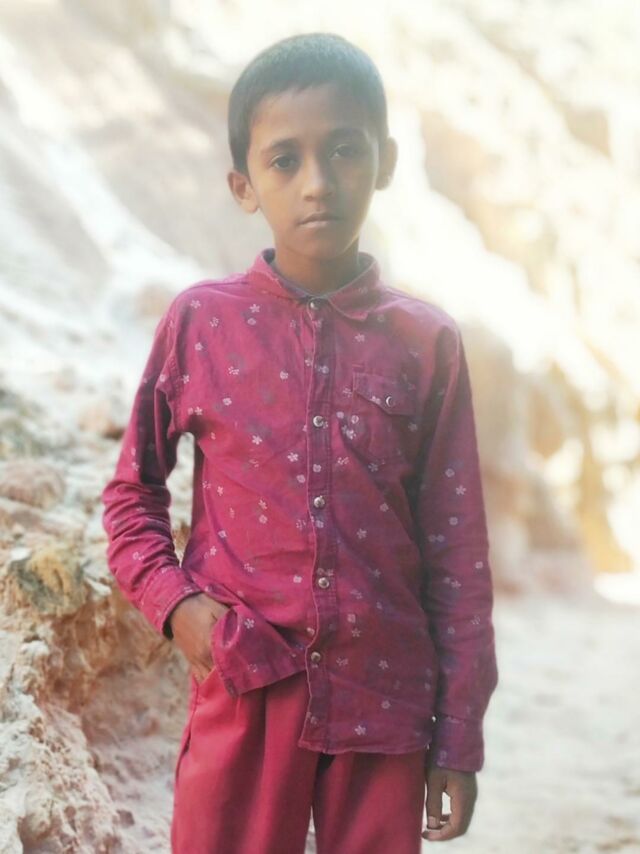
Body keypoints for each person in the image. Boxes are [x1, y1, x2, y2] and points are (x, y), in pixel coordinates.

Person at [101, 31, 499, 854]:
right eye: (285, 160)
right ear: (243, 186)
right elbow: (132, 493)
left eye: (345, 150)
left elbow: (457, 553)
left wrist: (458, 736)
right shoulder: (200, 323)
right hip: (247, 686)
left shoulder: (427, 343)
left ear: (385, 162)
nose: (319, 182)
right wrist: (178, 608)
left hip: (386, 701)